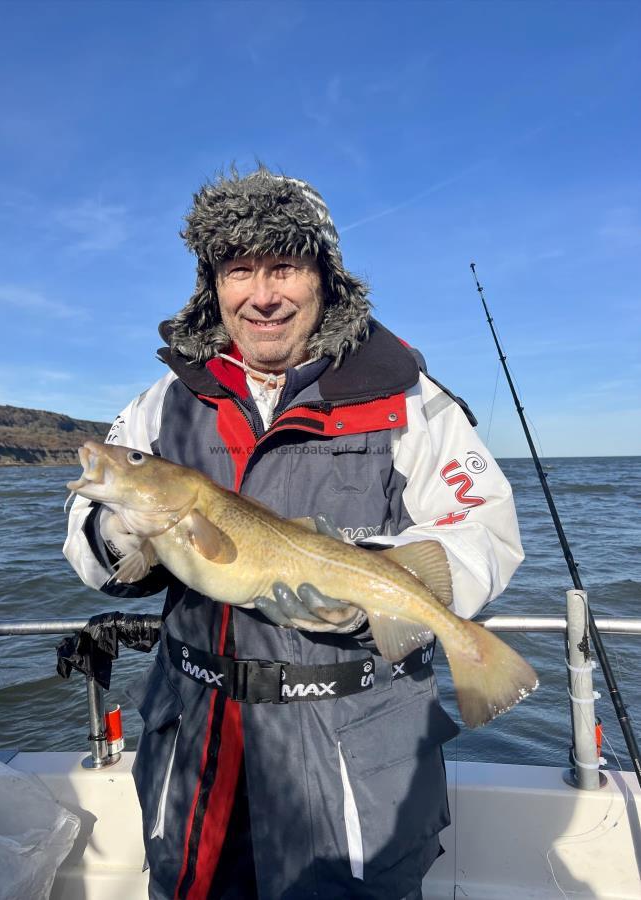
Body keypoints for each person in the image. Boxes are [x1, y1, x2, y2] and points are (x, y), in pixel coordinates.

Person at [64, 167, 524, 900]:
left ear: (326, 277)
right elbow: (86, 546)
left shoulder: (411, 398)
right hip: (197, 744)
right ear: (212, 284)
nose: (261, 294)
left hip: (352, 744)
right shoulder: (160, 404)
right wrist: (119, 529)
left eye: (284, 266)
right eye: (238, 270)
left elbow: (485, 530)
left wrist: (370, 582)